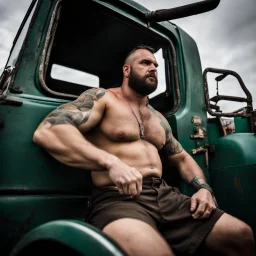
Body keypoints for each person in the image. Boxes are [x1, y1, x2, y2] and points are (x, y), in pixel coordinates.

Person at [33, 45, 254, 256]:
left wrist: (204, 189)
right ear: (126, 70)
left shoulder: (158, 119)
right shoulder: (102, 99)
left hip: (165, 196)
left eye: (156, 65)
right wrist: (111, 162)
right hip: (118, 199)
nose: (153, 68)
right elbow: (48, 131)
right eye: (145, 63)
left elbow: (182, 158)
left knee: (241, 235)